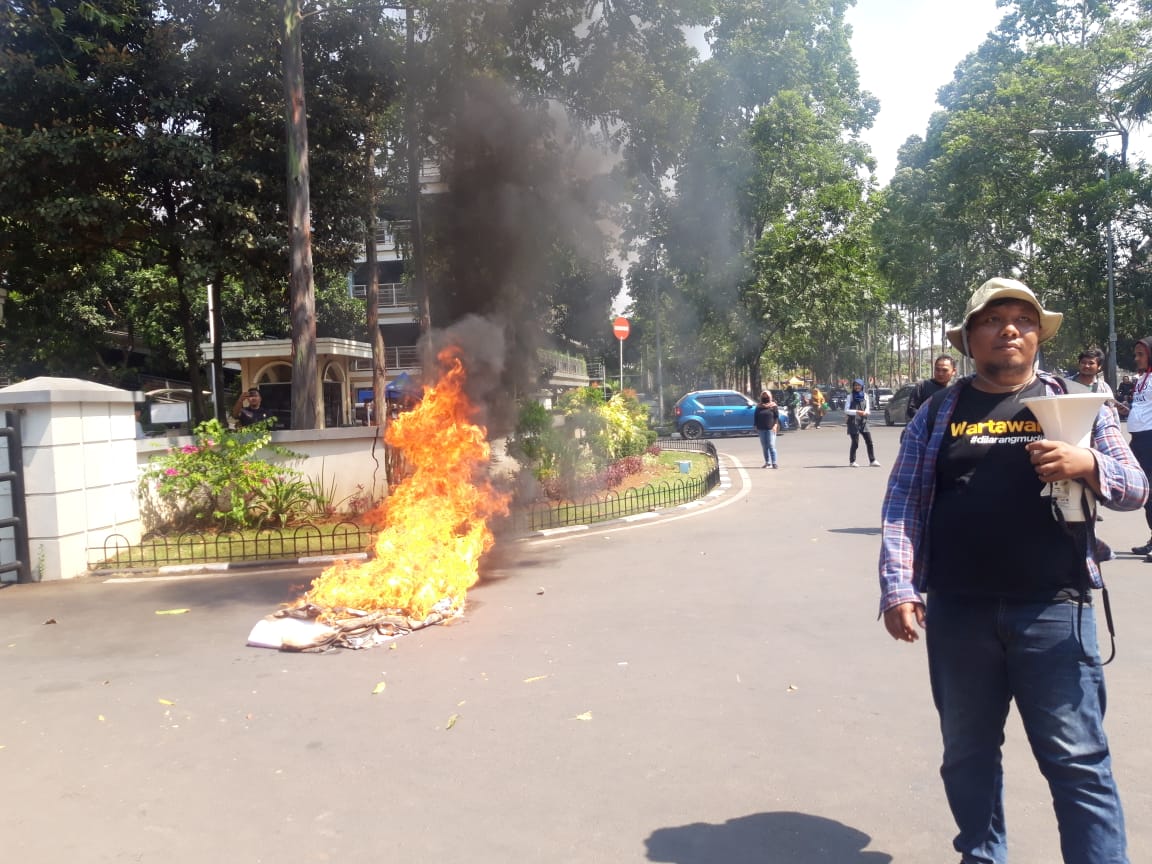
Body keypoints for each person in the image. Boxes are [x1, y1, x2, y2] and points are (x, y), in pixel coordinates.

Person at [879, 277, 1148, 864]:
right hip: (959, 612)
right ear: (970, 338)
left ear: (1037, 336)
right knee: (967, 755)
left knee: (1078, 761)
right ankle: (983, 855)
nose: (1009, 329)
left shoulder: (1078, 403)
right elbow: (902, 501)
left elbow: (1134, 489)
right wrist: (898, 586)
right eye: (993, 320)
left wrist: (1089, 462)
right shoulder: (937, 412)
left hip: (1056, 607)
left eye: (1023, 320)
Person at [1127, 337, 1152, 557]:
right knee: (1147, 492)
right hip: (1140, 440)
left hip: (1150, 439)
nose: (1136, 359)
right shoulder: (1143, 378)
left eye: (1140, 354)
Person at [906, 354, 956, 420]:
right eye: (937, 369)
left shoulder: (956, 390)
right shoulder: (923, 386)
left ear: (953, 371)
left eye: (945, 370)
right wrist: (929, 419)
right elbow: (911, 410)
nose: (940, 373)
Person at [845, 379, 879, 467]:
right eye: (855, 385)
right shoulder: (850, 396)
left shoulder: (866, 396)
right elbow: (846, 410)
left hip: (863, 421)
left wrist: (866, 412)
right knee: (855, 443)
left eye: (859, 385)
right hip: (853, 422)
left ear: (862, 386)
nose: (857, 387)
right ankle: (852, 461)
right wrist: (857, 412)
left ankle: (872, 460)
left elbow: (867, 407)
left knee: (869, 442)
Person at [753, 390, 779, 468]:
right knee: (764, 446)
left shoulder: (773, 406)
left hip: (770, 428)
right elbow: (756, 416)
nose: (765, 397)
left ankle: (774, 462)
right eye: (763, 395)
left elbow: (776, 417)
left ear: (770, 396)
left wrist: (775, 425)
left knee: (771, 445)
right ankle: (767, 462)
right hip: (761, 428)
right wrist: (756, 426)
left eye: (766, 395)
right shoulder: (759, 406)